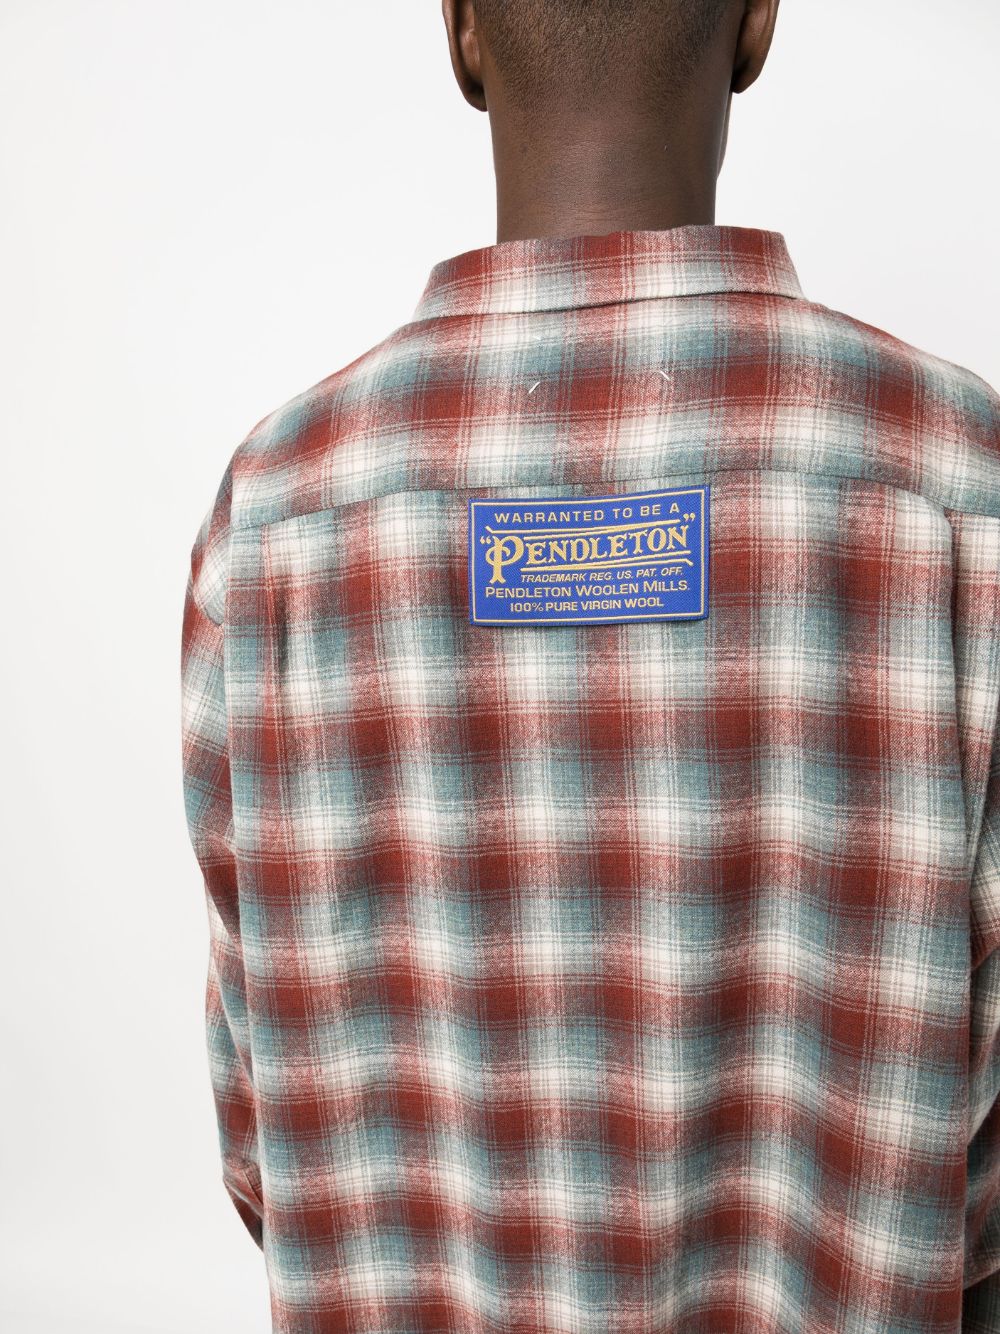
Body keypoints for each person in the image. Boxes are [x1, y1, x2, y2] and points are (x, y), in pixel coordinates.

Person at [180, 2, 1000, 1329]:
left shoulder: (276, 510)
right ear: (755, 24)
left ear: (461, 32)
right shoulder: (958, 475)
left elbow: (258, 1124)